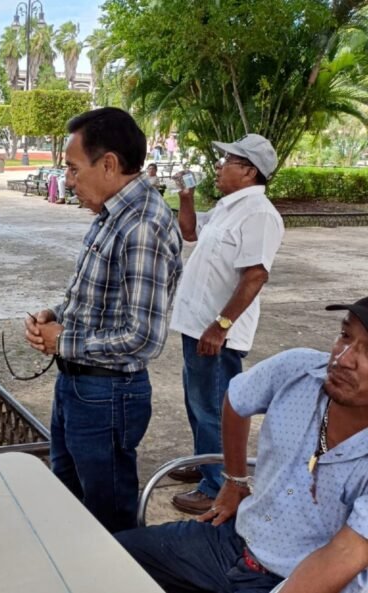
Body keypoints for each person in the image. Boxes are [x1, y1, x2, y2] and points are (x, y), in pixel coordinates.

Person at [116, 296, 368, 593]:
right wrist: (234, 480)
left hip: (298, 579)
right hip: (231, 544)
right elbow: (236, 399)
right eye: (345, 336)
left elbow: (346, 553)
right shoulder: (296, 369)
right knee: (106, 558)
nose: (343, 358)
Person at [24, 107, 183, 533]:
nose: (69, 181)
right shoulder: (112, 214)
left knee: (107, 516)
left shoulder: (142, 226)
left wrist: (64, 342)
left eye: (74, 169)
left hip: (108, 394)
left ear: (108, 164)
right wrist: (55, 317)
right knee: (69, 499)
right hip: (80, 385)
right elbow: (98, 299)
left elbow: (143, 337)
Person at [169, 134, 284, 515]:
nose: (219, 167)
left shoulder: (260, 215)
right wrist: (185, 196)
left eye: (228, 161)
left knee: (215, 408)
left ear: (249, 171)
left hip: (218, 333)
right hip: (196, 324)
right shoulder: (228, 208)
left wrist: (221, 325)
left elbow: (254, 276)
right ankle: (207, 463)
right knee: (197, 401)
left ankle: (217, 484)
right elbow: (189, 232)